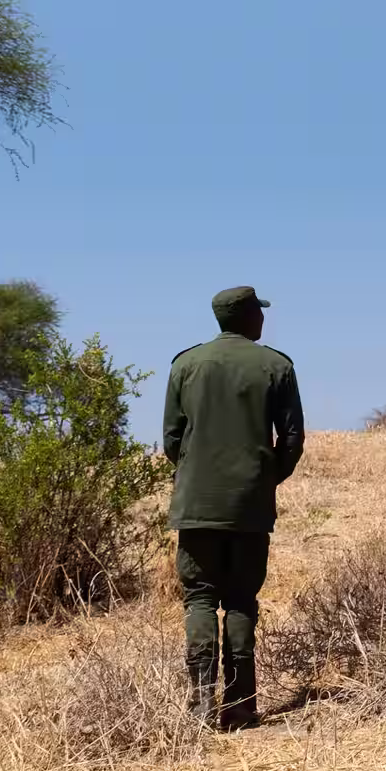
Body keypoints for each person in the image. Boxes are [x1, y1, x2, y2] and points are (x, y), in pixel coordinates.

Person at [163, 286, 305, 730]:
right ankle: (242, 704)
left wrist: (196, 475)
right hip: (249, 505)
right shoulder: (276, 366)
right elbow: (293, 438)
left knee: (200, 598)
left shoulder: (185, 364)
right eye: (258, 313)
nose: (263, 320)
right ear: (247, 317)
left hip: (196, 504)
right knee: (243, 599)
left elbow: (171, 437)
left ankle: (202, 702)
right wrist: (264, 479)